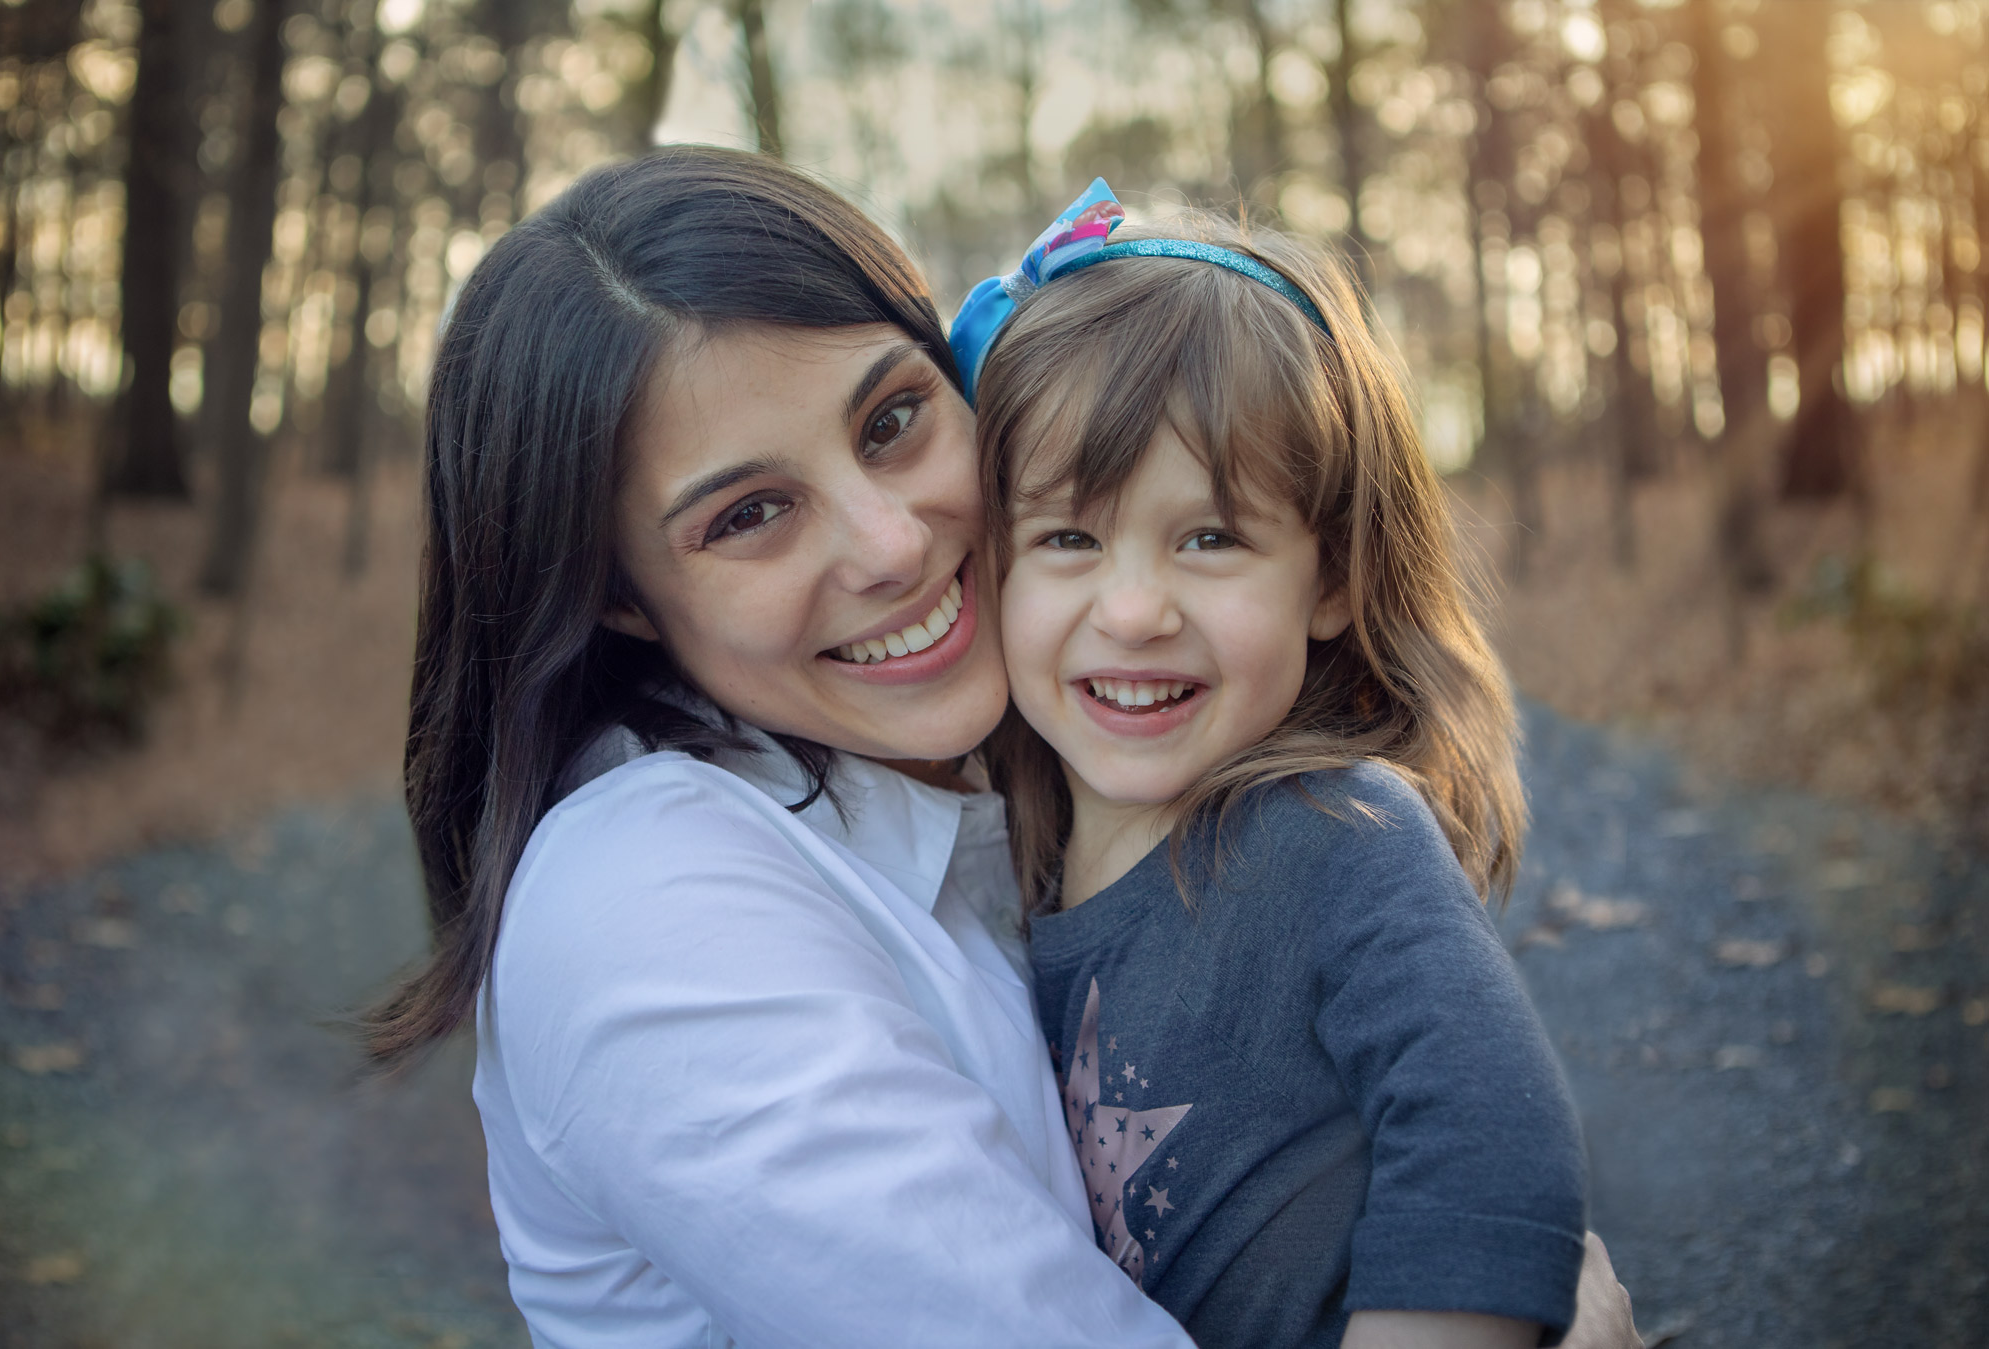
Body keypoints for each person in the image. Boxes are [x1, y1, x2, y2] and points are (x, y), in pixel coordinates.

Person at [363, 146, 1642, 1349]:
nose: (893, 544)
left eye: (893, 421)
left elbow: (1460, 1131)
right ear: (620, 595)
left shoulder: (1022, 792)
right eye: (750, 513)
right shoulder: (640, 908)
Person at [957, 184, 1584, 1348]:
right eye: (1066, 537)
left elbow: (1491, 1136)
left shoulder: (1333, 836)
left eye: (1211, 537)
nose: (1134, 609)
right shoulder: (1001, 881)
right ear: (988, 568)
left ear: (1333, 578)